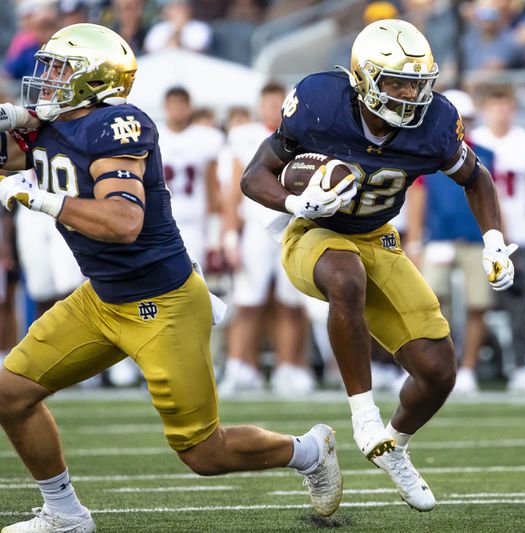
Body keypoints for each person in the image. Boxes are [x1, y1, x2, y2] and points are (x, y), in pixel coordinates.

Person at [0, 23, 342, 532]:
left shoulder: (117, 124)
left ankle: (309, 451)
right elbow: (22, 153)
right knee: (10, 393)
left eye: (59, 69)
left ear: (95, 81)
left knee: (204, 453)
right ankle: (65, 514)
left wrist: (40, 196)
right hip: (101, 298)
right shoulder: (53, 125)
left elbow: (123, 222)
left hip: (163, 304)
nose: (45, 78)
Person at [241, 19, 517, 511]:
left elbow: (476, 179)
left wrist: (494, 240)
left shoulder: (434, 123)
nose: (411, 94)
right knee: (345, 277)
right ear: (366, 78)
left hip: (377, 236)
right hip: (312, 233)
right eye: (398, 82)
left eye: (418, 82)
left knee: (438, 371)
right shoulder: (321, 103)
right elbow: (255, 174)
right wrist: (293, 204)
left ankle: (395, 446)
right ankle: (362, 412)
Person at [220, 83, 315, 397]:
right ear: (259, 105)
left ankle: (289, 368)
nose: (273, 108)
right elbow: (233, 189)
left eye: (279, 102)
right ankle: (239, 366)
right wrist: (230, 234)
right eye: (268, 102)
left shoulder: (305, 135)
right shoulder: (244, 136)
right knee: (248, 301)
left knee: (291, 302)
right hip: (256, 230)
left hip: (293, 226)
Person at [404, 88, 497, 395]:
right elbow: (418, 195)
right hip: (439, 238)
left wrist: (495, 240)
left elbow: (492, 197)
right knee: (432, 302)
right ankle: (440, 367)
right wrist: (415, 242)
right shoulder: (427, 151)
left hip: (473, 238)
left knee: (477, 304)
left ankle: (468, 367)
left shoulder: (485, 152)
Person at [471, 84, 525, 394]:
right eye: (494, 104)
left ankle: (520, 365)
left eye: (505, 104)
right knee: (475, 305)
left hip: (517, 237)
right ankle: (472, 366)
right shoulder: (476, 141)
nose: (500, 111)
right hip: (480, 238)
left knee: (519, 306)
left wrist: (513, 222)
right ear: (485, 107)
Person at [157, 86, 224, 269]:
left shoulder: (206, 138)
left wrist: (214, 233)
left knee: (193, 279)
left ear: (189, 107)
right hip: (161, 222)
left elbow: (212, 187)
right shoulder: (153, 135)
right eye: (173, 105)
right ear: (165, 107)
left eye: (181, 105)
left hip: (194, 223)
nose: (177, 110)